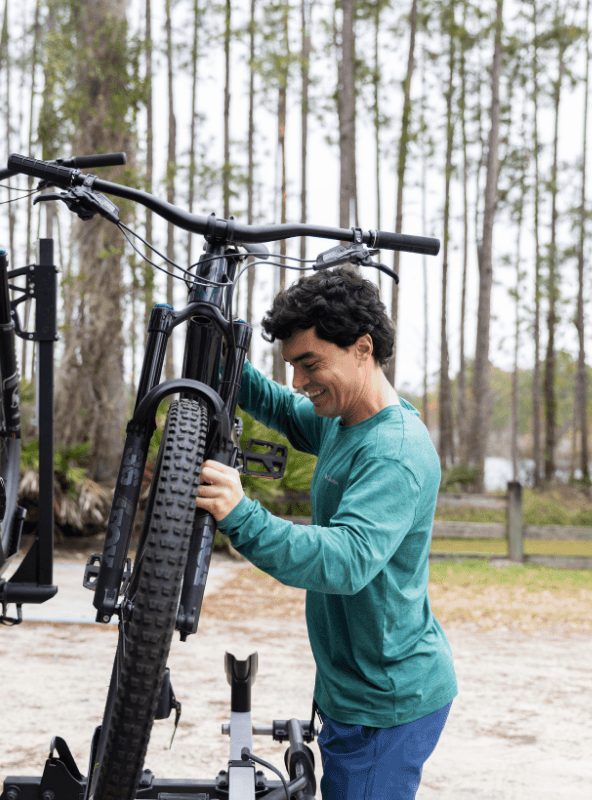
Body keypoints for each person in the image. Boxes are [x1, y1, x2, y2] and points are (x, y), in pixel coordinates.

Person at [195, 267, 456, 800]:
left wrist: (242, 514)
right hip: (351, 688)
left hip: (385, 702)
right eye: (293, 365)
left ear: (362, 348)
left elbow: (346, 560)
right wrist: (216, 346)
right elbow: (277, 405)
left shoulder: (395, 451)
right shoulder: (343, 421)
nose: (299, 382)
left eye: (310, 364)